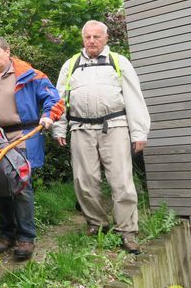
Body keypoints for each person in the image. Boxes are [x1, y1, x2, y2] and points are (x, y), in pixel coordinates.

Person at [52, 20, 150, 254]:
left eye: (97, 37)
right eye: (88, 37)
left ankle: (127, 231)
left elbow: (134, 98)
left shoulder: (118, 62)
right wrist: (58, 128)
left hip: (115, 126)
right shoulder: (71, 65)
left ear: (106, 38)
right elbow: (59, 99)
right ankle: (96, 223)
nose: (92, 41)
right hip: (80, 129)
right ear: (82, 39)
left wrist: (139, 131)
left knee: (121, 181)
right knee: (84, 181)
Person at [0, 37, 64, 260]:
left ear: (7, 51)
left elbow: (54, 98)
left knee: (21, 186)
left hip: (21, 136)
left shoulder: (29, 74)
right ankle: (7, 233)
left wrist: (47, 116)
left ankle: (26, 237)